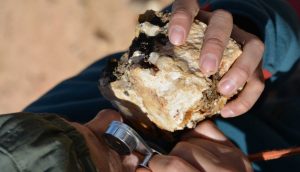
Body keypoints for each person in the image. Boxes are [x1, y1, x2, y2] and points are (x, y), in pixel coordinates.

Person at [0, 0, 299, 171]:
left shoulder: (49, 129)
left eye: (73, 124)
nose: (108, 116)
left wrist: (249, 28)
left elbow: (272, 15)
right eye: (115, 150)